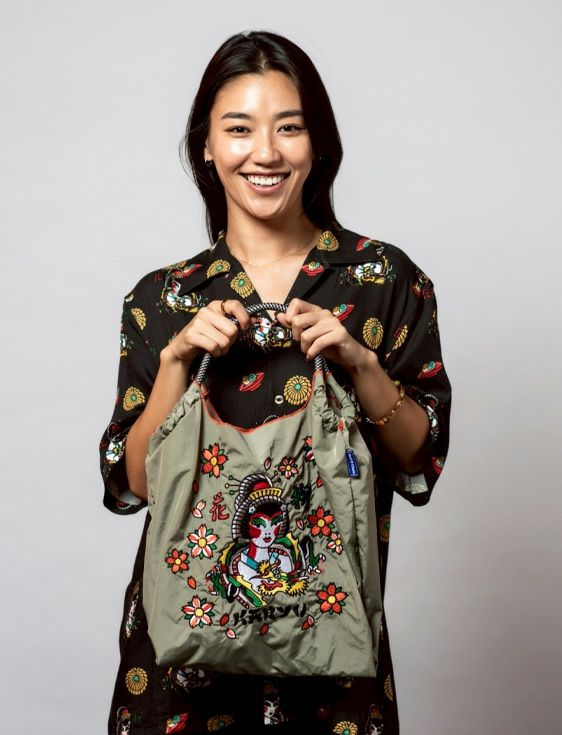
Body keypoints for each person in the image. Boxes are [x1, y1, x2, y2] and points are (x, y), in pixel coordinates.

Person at [99, 29, 451, 735]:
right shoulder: (163, 298)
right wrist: (175, 361)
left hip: (333, 663)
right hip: (183, 670)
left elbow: (418, 457)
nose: (265, 152)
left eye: (289, 127)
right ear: (206, 145)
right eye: (239, 129)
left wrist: (360, 362)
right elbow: (134, 483)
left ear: (317, 144)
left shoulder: (382, 279)